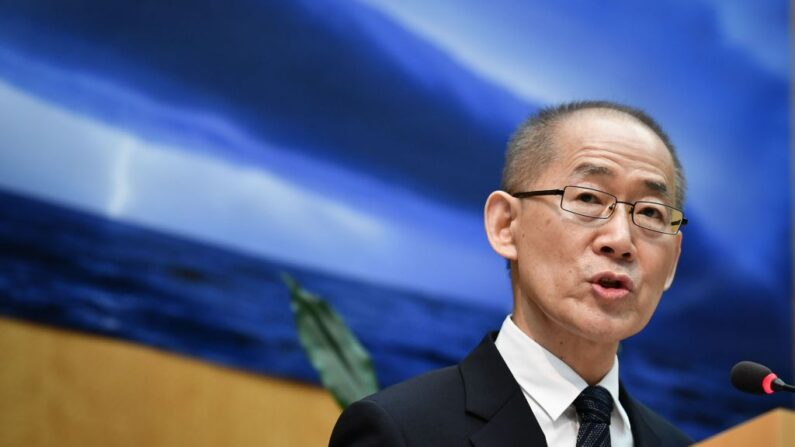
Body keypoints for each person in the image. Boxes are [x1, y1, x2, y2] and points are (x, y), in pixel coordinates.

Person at [329, 101, 693, 447]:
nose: (620, 240)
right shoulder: (401, 431)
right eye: (588, 198)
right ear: (506, 225)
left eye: (650, 213)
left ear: (673, 261)